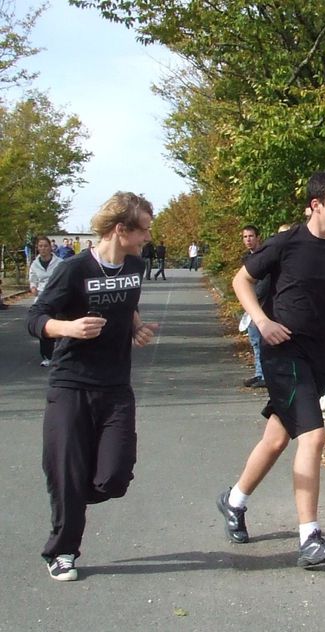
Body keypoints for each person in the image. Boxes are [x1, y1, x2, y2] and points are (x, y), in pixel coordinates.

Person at [216, 172, 325, 569]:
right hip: (283, 352)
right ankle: (310, 537)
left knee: (276, 439)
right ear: (316, 204)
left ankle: (233, 501)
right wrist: (262, 322)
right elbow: (241, 280)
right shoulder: (287, 243)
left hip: (319, 354)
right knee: (314, 437)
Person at [26, 192, 158, 582]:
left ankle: (71, 492)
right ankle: (62, 551)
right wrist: (68, 328)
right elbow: (36, 317)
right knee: (66, 472)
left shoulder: (135, 264)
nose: (147, 237)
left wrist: (136, 327)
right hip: (71, 383)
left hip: (116, 385)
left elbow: (127, 302)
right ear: (122, 229)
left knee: (114, 478)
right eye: (144, 230)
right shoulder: (74, 270)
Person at [240, 224, 269, 388]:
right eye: (245, 237)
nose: (248, 240)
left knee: (263, 342)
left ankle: (265, 375)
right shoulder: (246, 258)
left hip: (263, 306)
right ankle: (260, 373)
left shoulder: (264, 257)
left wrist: (253, 300)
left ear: (258, 237)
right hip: (251, 307)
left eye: (251, 236)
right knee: (255, 342)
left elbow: (263, 284)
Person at [28, 235, 64, 366]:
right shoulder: (35, 264)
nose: (43, 249)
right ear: (37, 248)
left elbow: (64, 279)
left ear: (51, 247)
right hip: (42, 298)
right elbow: (32, 279)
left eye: (46, 246)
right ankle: (47, 357)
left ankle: (61, 354)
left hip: (57, 297)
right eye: (40, 246)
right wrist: (33, 287)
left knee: (59, 326)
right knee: (44, 326)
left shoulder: (60, 262)